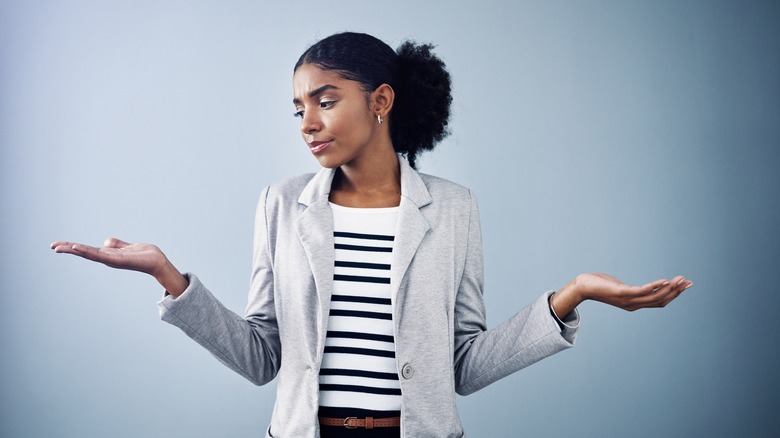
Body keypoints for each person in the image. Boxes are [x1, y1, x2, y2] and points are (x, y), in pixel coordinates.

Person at [51, 32, 692, 437]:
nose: (307, 122)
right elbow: (260, 360)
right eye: (298, 106)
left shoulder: (454, 209)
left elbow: (462, 367)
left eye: (325, 101)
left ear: (381, 100)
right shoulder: (280, 205)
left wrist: (571, 296)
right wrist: (170, 278)